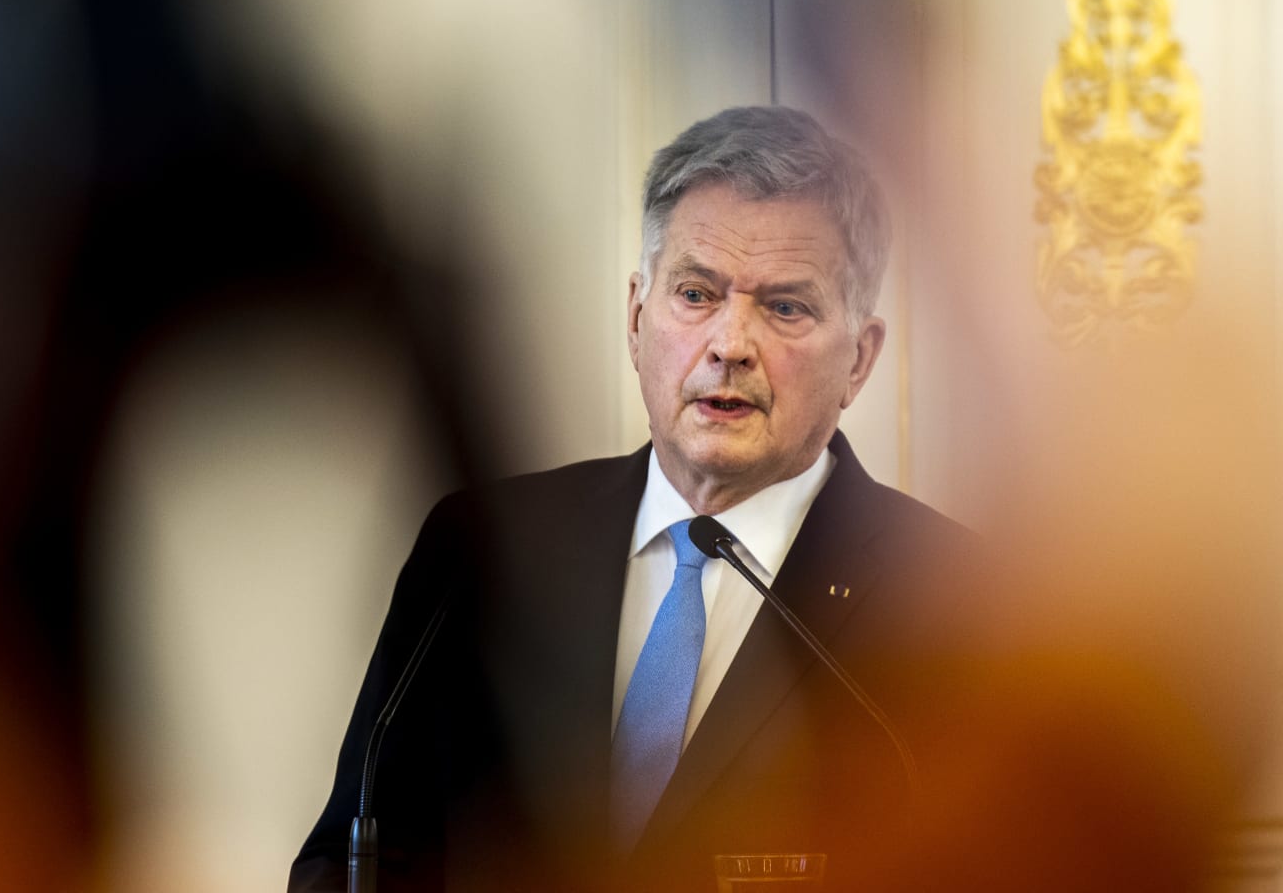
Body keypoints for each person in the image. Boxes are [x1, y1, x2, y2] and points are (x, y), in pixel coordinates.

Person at [291, 106, 969, 892]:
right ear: (637, 318)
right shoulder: (480, 550)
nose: (730, 345)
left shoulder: (952, 602)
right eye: (696, 293)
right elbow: (350, 858)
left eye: (785, 307)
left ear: (860, 359)